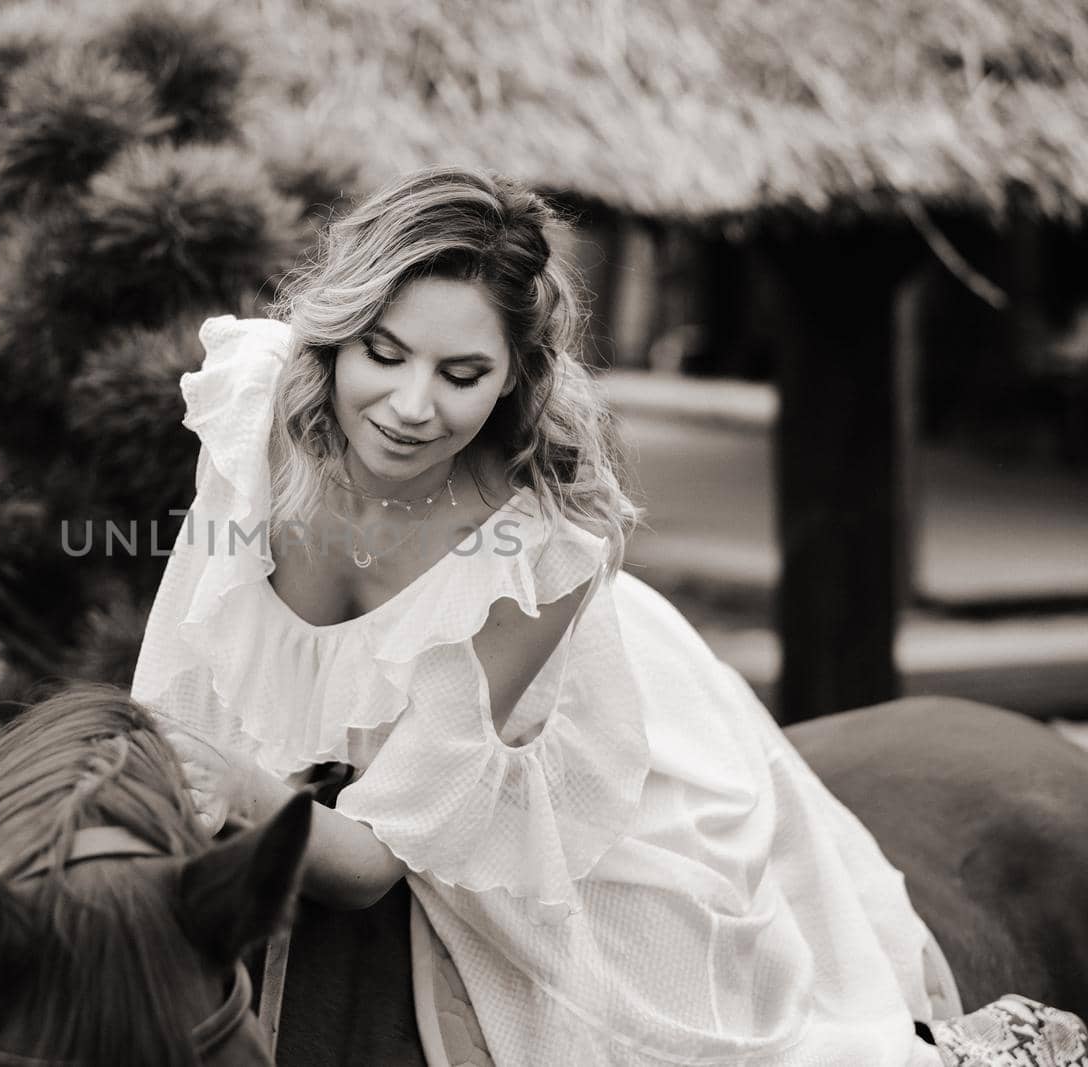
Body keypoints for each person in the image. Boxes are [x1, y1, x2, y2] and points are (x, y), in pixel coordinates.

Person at [127, 166, 1073, 1066]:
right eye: (384, 354)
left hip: (548, 737)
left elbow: (377, 860)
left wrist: (243, 789)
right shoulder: (255, 415)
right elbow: (173, 695)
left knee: (666, 1016)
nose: (411, 407)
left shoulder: (543, 555)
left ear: (512, 379)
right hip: (321, 760)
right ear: (334, 336)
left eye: (462, 374)